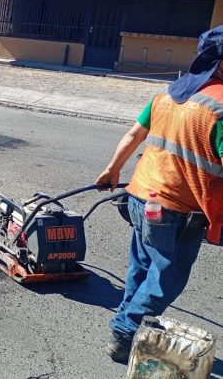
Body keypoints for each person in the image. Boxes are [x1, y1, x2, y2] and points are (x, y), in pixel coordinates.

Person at [95, 25, 223, 363]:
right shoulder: (221, 107)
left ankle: (131, 325)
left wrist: (112, 170)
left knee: (141, 267)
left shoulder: (167, 94)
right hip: (178, 210)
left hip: (139, 197)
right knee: (167, 277)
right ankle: (125, 330)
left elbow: (134, 134)